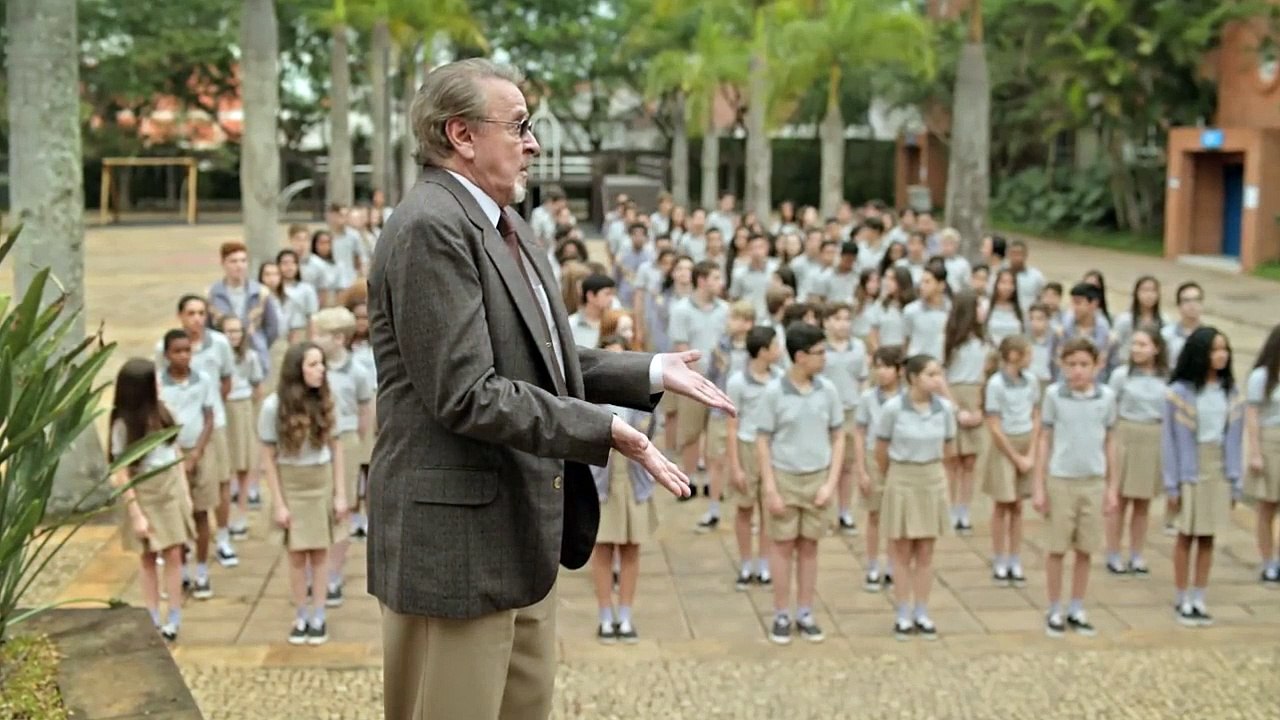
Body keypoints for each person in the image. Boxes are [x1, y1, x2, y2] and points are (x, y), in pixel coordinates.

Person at [367, 59, 732, 720]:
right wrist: (602, 430)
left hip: (520, 535)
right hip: (458, 553)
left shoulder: (508, 225)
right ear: (462, 135)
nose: (534, 144)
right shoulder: (430, 227)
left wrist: (647, 372)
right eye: (520, 127)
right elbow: (467, 392)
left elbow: (542, 357)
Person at [757, 323, 845, 645]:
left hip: (818, 477)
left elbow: (838, 437)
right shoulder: (774, 392)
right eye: (819, 353)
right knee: (782, 547)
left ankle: (805, 611)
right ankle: (781, 612)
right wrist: (770, 487)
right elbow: (763, 440)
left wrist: (830, 483)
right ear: (800, 356)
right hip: (785, 477)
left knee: (810, 547)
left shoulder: (828, 390)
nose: (825, 359)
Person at [258, 342, 347, 645]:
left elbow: (336, 448)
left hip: (319, 480)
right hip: (292, 481)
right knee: (296, 555)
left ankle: (319, 613)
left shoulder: (325, 400)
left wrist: (340, 494)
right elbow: (267, 456)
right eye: (313, 364)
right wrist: (278, 502)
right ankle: (301, 613)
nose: (320, 370)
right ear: (298, 369)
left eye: (321, 364)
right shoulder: (273, 406)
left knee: (320, 552)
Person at [1033, 337, 1118, 638]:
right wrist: (1039, 484)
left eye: (1084, 365)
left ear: (1096, 366)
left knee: (1086, 547)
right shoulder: (1055, 395)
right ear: (1062, 365)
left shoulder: (1106, 397)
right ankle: (1054, 606)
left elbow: (1109, 440)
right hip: (1061, 478)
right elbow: (1044, 438)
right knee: (1056, 547)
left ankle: (1077, 605)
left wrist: (1112, 487)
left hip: (1093, 479)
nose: (1078, 371)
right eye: (1071, 365)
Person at [1163, 327, 1242, 627]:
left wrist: (1235, 480)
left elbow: (1233, 440)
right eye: (1215, 350)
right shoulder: (1180, 393)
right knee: (1186, 535)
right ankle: (1181, 596)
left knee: (1208, 536)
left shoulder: (1230, 393)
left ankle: (1199, 596)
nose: (1221, 355)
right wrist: (1173, 481)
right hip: (1190, 466)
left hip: (1217, 466)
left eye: (1224, 349)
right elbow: (1170, 441)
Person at [110, 358, 192, 641]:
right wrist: (136, 514)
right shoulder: (123, 424)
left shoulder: (163, 412)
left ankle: (175, 615)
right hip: (144, 493)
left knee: (174, 554)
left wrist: (184, 493)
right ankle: (153, 615)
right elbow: (120, 472)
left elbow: (175, 451)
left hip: (168, 490)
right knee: (148, 557)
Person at [155, 297, 238, 575]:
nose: (197, 318)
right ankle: (180, 550)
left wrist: (214, 407)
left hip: (210, 427)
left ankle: (223, 537)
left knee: (219, 483)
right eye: (191, 313)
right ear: (181, 316)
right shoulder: (163, 350)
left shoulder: (219, 344)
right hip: (177, 439)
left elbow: (226, 379)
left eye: (202, 313)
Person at [875, 354, 956, 640]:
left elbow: (948, 446)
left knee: (925, 551)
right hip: (902, 477)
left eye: (939, 373)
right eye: (930, 374)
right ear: (912, 378)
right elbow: (881, 448)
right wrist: (892, 476)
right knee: (901, 550)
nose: (937, 380)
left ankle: (922, 609)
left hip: (931, 478)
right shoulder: (893, 409)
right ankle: (902, 611)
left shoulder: (944, 409)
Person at [589, 335, 661, 644]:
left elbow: (648, 432)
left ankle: (627, 614)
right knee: (602, 548)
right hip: (602, 478)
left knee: (632, 547)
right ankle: (605, 615)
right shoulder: (588, 396)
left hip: (634, 479)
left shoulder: (640, 395)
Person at [310, 307, 375, 607]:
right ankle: (317, 567)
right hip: (316, 443)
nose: (314, 339)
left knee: (343, 507)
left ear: (338, 338)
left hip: (345, 440)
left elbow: (365, 411)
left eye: (319, 334)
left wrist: (357, 443)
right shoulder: (313, 368)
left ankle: (334, 572)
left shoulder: (358, 371)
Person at [156, 329, 217, 600]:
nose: (183, 356)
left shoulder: (202, 380)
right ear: (167, 354)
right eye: (177, 351)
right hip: (171, 453)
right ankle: (178, 571)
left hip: (199, 452)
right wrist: (177, 453)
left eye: (187, 350)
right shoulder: (159, 383)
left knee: (202, 512)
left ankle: (202, 570)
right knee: (177, 516)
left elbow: (209, 417)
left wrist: (196, 454)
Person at [1103, 325, 1168, 577]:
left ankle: (1137, 553)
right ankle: (1113, 552)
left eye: (1143, 345)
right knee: (1119, 499)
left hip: (1153, 437)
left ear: (1156, 348)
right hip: (1126, 435)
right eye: (1134, 344)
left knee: (1143, 502)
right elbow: (1110, 408)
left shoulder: (1165, 378)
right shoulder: (1121, 375)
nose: (1137, 349)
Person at [725, 326, 783, 589]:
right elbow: (732, 426)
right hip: (747, 447)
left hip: (772, 449)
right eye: (775, 345)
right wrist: (735, 466)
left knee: (768, 509)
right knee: (745, 508)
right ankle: (746, 562)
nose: (779, 350)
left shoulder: (780, 380)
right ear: (763, 351)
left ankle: (765, 562)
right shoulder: (737, 382)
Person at [983, 335, 1040, 586]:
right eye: (1027, 353)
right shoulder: (995, 384)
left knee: (1018, 506)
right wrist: (1016, 457)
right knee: (1002, 505)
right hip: (1004, 446)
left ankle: (1015, 557)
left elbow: (1036, 416)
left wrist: (1031, 453)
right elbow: (994, 426)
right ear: (1015, 355)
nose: (1032, 358)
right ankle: (999, 558)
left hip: (1025, 441)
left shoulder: (1032, 381)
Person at [669, 261, 730, 496]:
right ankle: (690, 479)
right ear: (702, 280)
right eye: (715, 278)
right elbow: (680, 346)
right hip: (692, 381)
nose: (720, 283)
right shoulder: (681, 309)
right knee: (691, 432)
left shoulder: (725, 309)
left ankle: (715, 484)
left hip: (720, 382)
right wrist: (698, 377)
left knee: (717, 434)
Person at [696, 300, 755, 532]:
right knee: (716, 460)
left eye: (735, 318)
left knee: (746, 463)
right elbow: (711, 375)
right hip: (721, 411)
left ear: (747, 323)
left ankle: (746, 512)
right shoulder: (720, 347)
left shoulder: (755, 348)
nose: (729, 322)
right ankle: (714, 509)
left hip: (749, 414)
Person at [856, 346, 903, 591]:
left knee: (896, 517)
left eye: (887, 367)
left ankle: (894, 565)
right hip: (874, 458)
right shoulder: (867, 398)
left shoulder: (906, 397)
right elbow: (860, 433)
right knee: (874, 515)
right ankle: (873, 565)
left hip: (899, 458)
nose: (882, 372)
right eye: (878, 367)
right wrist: (862, 470)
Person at [942, 290, 988, 535]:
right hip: (954, 396)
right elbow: (941, 378)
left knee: (970, 460)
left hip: (975, 395)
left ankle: (964, 510)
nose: (983, 311)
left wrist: (980, 408)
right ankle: (949, 509)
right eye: (978, 306)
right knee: (952, 460)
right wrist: (955, 408)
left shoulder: (984, 343)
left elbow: (988, 377)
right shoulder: (950, 342)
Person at [821, 303, 869, 535]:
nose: (843, 323)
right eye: (838, 318)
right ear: (827, 322)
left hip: (850, 411)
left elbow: (863, 379)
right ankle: (826, 513)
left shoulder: (858, 347)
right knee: (826, 465)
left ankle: (844, 512)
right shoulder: (820, 349)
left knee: (847, 465)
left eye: (847, 319)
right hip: (825, 415)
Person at [218, 316, 264, 541]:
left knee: (244, 462)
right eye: (229, 331)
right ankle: (223, 518)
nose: (234, 335)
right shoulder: (216, 357)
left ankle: (242, 511)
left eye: (237, 331)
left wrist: (254, 412)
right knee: (224, 464)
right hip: (223, 408)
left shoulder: (250, 356)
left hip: (242, 406)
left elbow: (258, 385)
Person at [207, 241, 281, 376]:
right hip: (222, 355)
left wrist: (260, 341)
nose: (239, 266)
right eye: (233, 261)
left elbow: (272, 328)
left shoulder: (261, 293)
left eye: (243, 261)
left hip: (254, 353)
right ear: (223, 263)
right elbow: (208, 327)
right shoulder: (212, 294)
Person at [1246, 323, 1280, 584]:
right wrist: (1255, 452)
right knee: (1267, 505)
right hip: (1270, 441)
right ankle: (1268, 561)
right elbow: (1253, 414)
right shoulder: (1262, 376)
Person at [1110, 276, 1164, 367]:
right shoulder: (1125, 319)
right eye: (1145, 290)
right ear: (1136, 293)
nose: (1149, 295)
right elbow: (1114, 345)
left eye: (1153, 291)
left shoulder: (1164, 320)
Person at [903, 265, 949, 359]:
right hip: (916, 362)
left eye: (927, 282)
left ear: (941, 285)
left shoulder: (951, 310)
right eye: (921, 282)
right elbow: (906, 340)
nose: (922, 286)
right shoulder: (910, 310)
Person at [568, 274, 617, 350]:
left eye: (613, 294)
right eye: (607, 294)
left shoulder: (615, 323)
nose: (611, 299)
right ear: (590, 296)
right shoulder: (571, 324)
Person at [870, 266, 914, 350]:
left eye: (891, 279)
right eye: (886, 278)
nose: (887, 282)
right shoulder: (880, 304)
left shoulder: (912, 307)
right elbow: (873, 333)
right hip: (884, 352)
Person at [1163, 281, 1204, 368]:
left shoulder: (1210, 337)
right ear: (1179, 305)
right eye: (1187, 301)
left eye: (1197, 300)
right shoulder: (1166, 335)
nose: (1192, 305)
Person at [986, 268, 1025, 346]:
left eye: (1011, 283)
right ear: (996, 284)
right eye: (1003, 282)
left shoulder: (1019, 310)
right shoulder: (986, 306)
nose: (1007, 287)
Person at [1006, 240, 1045, 313]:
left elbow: (1042, 298)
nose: (1016, 257)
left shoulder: (1036, 276)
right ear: (1008, 255)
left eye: (1019, 254)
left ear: (1026, 255)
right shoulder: (1001, 276)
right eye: (1013, 253)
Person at [937, 228, 972, 293]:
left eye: (950, 243)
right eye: (944, 243)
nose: (947, 247)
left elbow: (967, 284)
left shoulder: (963, 264)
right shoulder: (936, 261)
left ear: (956, 245)